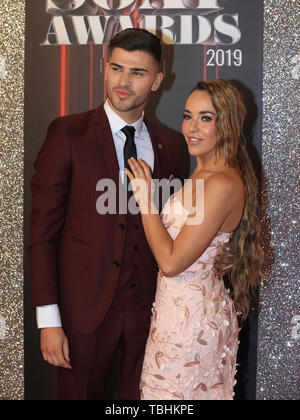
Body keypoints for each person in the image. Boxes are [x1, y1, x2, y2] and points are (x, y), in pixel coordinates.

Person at [28, 28, 183, 400]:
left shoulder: (172, 145)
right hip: (84, 316)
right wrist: (49, 321)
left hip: (150, 316)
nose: (123, 82)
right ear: (105, 67)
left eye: (137, 73)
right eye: (116, 68)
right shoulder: (68, 134)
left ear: (158, 80)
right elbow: (42, 235)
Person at [125, 79, 264, 400]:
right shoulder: (201, 175)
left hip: (193, 325)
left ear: (227, 125)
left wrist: (146, 199)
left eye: (206, 118)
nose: (191, 127)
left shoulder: (221, 184)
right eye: (188, 116)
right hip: (173, 315)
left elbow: (172, 262)